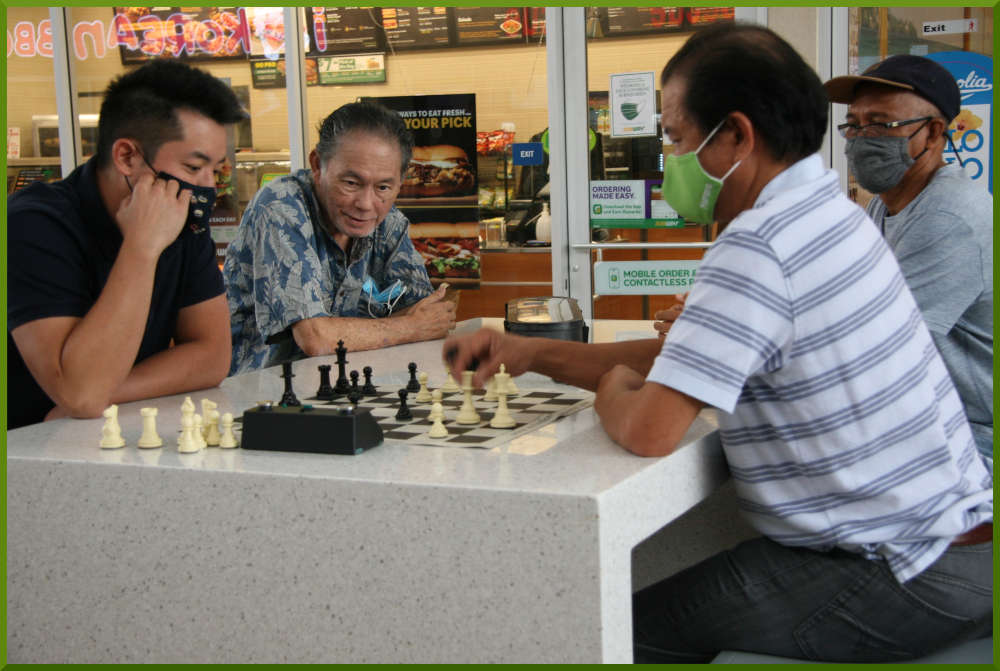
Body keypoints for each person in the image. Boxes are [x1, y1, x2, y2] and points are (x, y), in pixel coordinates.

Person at [443, 23, 992, 663]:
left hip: (899, 571)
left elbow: (651, 429)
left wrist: (616, 393)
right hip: (955, 549)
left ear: (735, 134)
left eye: (676, 138)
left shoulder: (760, 245)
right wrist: (531, 353)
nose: (671, 160)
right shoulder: (829, 211)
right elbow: (685, 362)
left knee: (601, 636)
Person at [7, 60, 246, 429]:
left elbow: (212, 356)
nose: (209, 187)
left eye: (216, 170)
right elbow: (82, 392)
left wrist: (108, 392)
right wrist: (142, 246)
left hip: (100, 437)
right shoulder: (32, 225)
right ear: (127, 157)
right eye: (193, 167)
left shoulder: (182, 217)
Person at [824, 55, 993, 469]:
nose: (861, 138)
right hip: (924, 422)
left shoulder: (947, 215)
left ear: (934, 133)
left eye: (881, 123)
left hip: (972, 442)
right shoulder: (885, 208)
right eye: (855, 124)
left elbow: (873, 345)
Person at [224, 101, 456, 375]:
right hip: (257, 396)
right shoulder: (281, 207)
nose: (366, 204)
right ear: (317, 165)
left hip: (347, 383)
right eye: (351, 183)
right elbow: (315, 338)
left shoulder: (389, 223)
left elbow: (432, 316)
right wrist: (408, 327)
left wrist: (403, 325)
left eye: (383, 186)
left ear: (400, 182)